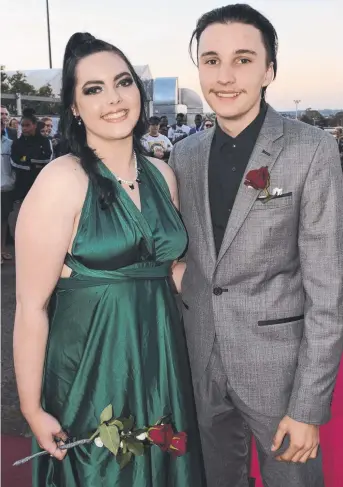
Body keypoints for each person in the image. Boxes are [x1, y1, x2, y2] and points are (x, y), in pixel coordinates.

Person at [13, 32, 205, 487]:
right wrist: (31, 407)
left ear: (139, 92)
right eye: (93, 89)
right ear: (74, 109)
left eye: (123, 83)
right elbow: (30, 307)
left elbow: (168, 269)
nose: (114, 99)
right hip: (91, 368)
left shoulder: (162, 174)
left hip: (161, 360)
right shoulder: (60, 180)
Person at [169, 4, 343, 487]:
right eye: (211, 60)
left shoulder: (311, 149)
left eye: (243, 60)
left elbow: (328, 289)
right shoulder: (184, 154)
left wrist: (308, 406)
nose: (224, 77)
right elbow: (186, 252)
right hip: (202, 362)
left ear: (269, 69)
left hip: (280, 372)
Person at [11, 108, 53, 203]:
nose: (24, 128)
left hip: (40, 186)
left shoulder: (45, 141)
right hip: (21, 189)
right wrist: (32, 165)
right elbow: (13, 162)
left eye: (27, 125)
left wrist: (26, 159)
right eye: (22, 125)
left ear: (35, 125)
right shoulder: (17, 143)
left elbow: (48, 159)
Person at [1, 115, 16, 264]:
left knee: (4, 220)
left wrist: (12, 181)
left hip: (5, 187)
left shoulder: (10, 144)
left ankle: (2, 249)